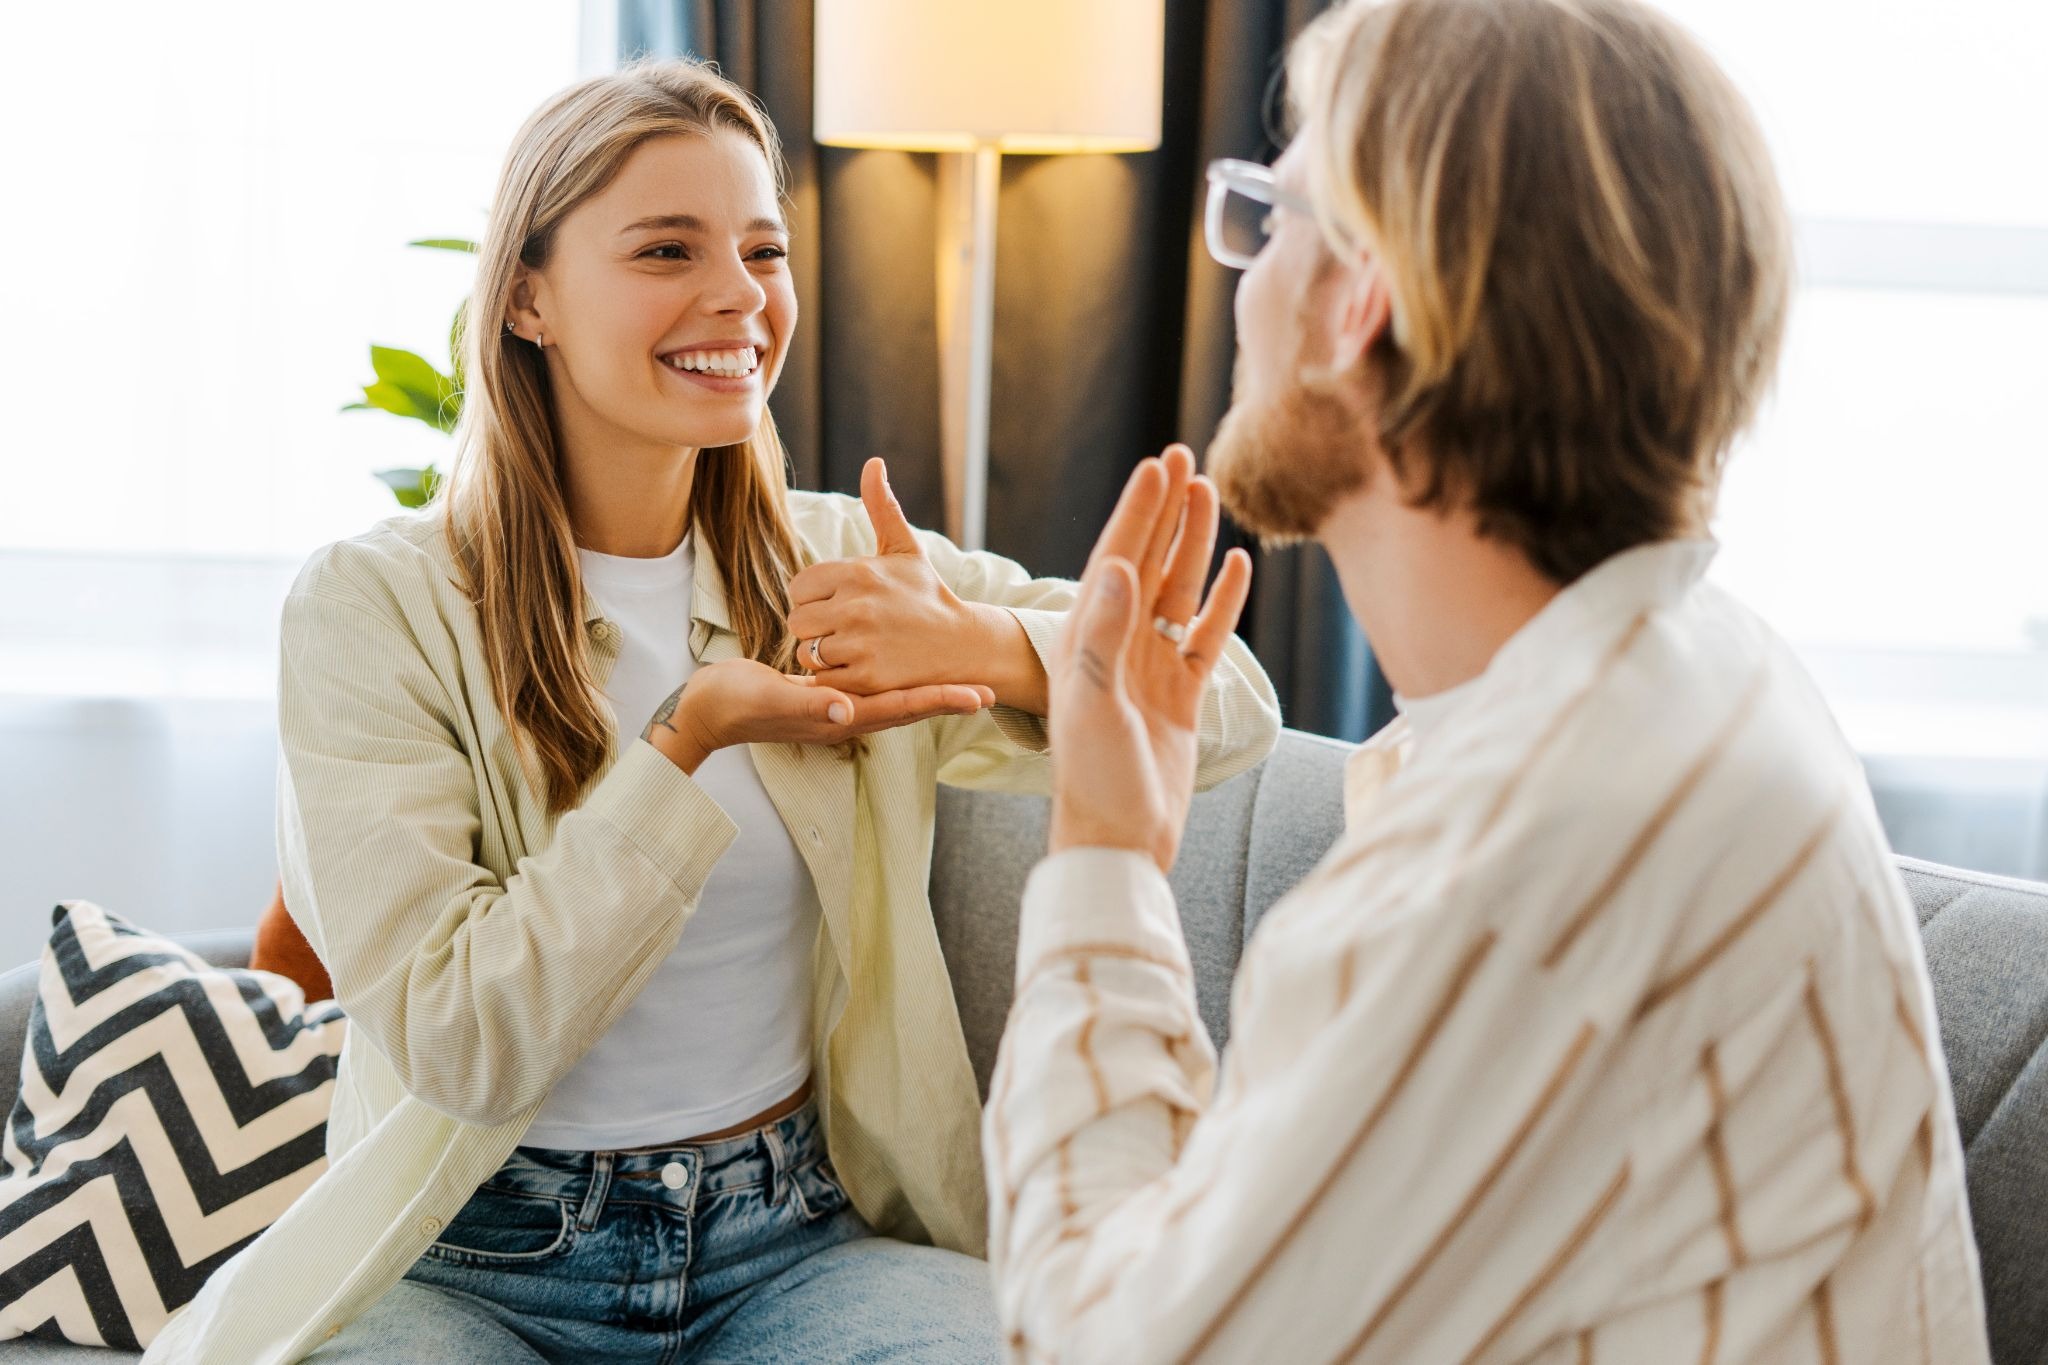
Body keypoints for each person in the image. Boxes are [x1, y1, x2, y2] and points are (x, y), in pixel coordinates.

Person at [143, 59, 1280, 1364]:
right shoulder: (375, 607)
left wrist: (984, 643)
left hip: (790, 1240)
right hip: (472, 1261)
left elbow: (1227, 702)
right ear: (526, 297)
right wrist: (684, 741)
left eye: (762, 249)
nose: (739, 295)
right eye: (667, 248)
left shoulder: (831, 560)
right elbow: (462, 1040)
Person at [985, 0, 1992, 1360]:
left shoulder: (1530, 865)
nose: (1245, 276)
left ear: (1360, 305)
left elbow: (1102, 1346)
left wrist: (1103, 852)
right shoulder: (1691, 671)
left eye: (1271, 219)